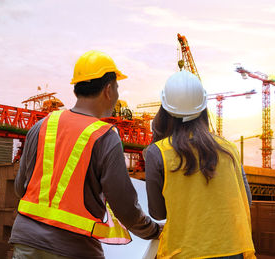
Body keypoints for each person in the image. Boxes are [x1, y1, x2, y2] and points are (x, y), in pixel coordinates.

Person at [9, 50, 161, 258]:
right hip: (75, 249)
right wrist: (154, 231)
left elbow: (20, 188)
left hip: (25, 242)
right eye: (117, 88)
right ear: (108, 90)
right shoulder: (105, 137)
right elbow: (125, 208)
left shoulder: (42, 125)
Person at [144, 70, 256, 259]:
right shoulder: (229, 150)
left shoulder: (157, 153)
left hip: (183, 252)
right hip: (232, 251)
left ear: (164, 110)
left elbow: (157, 212)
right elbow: (247, 200)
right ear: (203, 108)